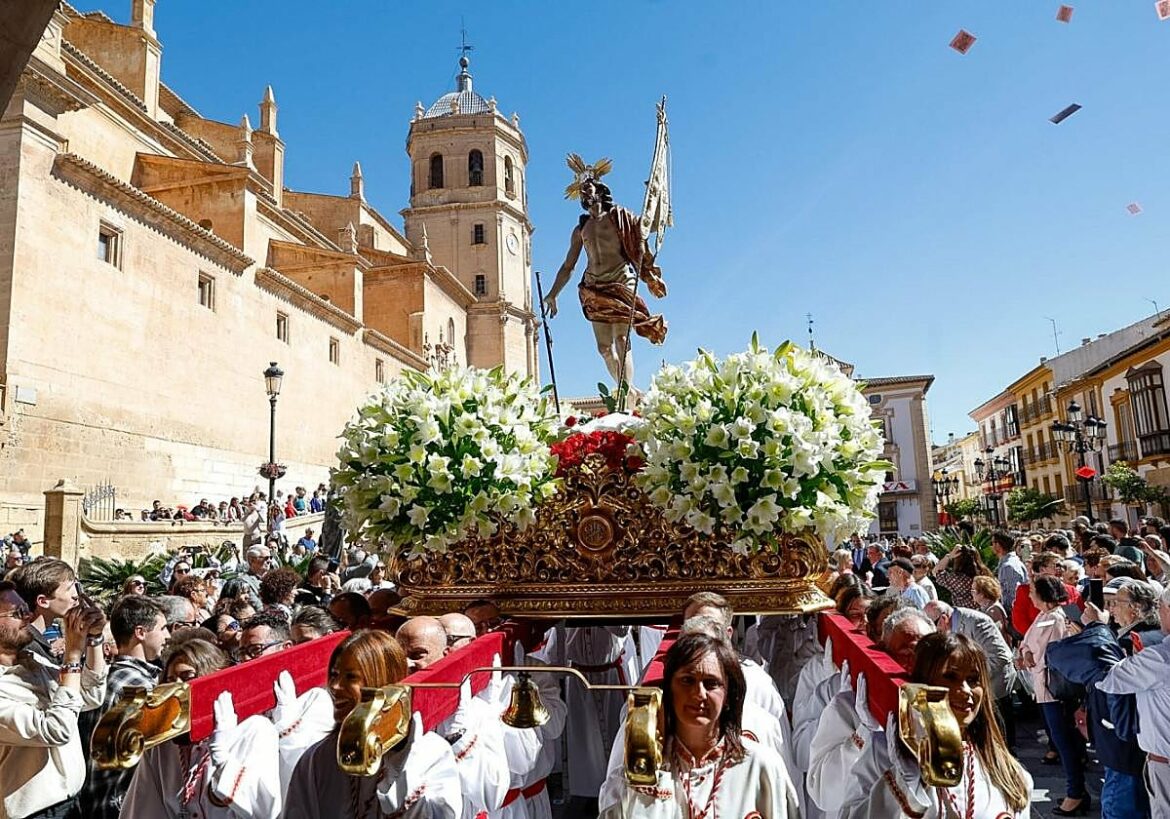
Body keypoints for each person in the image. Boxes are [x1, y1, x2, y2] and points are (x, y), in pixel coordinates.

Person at [599, 632, 798, 818]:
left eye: (711, 683)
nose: (699, 694)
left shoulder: (762, 766)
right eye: (687, 680)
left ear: (728, 695)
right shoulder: (641, 771)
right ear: (669, 690)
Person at [840, 632, 1033, 818]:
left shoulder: (1012, 774)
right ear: (924, 684)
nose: (965, 690)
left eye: (973, 680)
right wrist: (903, 787)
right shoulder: (883, 753)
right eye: (950, 677)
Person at [285, 630, 462, 819]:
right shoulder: (318, 757)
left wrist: (399, 774)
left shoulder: (430, 751)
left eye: (350, 677)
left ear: (382, 682)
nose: (335, 686)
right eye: (334, 675)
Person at [121, 639, 281, 818]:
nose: (178, 688)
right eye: (170, 680)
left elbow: (267, 810)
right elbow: (143, 808)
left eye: (188, 677)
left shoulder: (255, 730)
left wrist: (222, 758)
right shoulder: (164, 743)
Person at [543, 170, 668, 395]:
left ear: (600, 191)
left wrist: (656, 197)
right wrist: (553, 294)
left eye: (588, 188)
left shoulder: (620, 218)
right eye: (581, 191)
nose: (584, 193)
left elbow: (651, 225)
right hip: (594, 288)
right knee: (604, 349)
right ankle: (625, 389)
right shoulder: (581, 230)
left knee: (621, 339)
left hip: (621, 282)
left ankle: (625, 394)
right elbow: (568, 266)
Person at [0, 581, 107, 819]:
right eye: (17, 613)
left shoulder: (33, 662)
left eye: (25, 608)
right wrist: (72, 655)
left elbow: (90, 696)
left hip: (72, 803)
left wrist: (94, 639)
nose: (29, 616)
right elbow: (54, 730)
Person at [82, 597, 169, 819]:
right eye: (163, 628)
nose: (167, 636)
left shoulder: (109, 676)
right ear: (140, 632)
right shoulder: (136, 686)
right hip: (117, 805)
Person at [1096, 584, 1170, 818]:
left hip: (1163, 762)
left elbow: (1108, 679)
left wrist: (1095, 628)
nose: (1160, 613)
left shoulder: (1159, 656)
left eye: (1163, 607)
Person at [1019, 575, 1088, 815]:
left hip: (1053, 690)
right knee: (1063, 740)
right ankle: (1076, 790)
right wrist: (1027, 653)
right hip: (1044, 687)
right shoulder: (1044, 616)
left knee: (1064, 742)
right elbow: (1027, 642)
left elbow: (1052, 652)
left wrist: (1030, 657)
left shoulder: (1057, 619)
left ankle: (1075, 793)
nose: (1029, 596)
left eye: (1033, 592)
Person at [923, 599, 1016, 750]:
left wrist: (972, 680)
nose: (934, 632)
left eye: (934, 626)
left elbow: (1001, 657)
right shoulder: (949, 626)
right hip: (972, 692)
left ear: (944, 618)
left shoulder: (976, 622)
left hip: (994, 688)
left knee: (999, 740)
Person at [932, 544, 991, 609]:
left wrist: (949, 556)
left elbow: (935, 572)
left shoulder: (956, 579)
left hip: (964, 615)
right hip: (985, 612)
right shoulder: (984, 573)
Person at [971, 575, 1012, 645]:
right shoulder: (985, 607)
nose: (971, 593)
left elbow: (992, 635)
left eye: (973, 591)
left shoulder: (993, 610)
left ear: (982, 594)